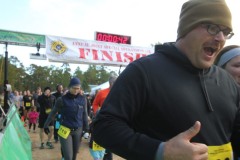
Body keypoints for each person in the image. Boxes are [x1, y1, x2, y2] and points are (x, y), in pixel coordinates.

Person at [92, 0, 240, 160]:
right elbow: (104, 127)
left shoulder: (227, 80)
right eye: (213, 28)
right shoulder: (144, 71)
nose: (221, 38)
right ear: (187, 27)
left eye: (226, 32)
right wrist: (160, 151)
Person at [44, 77, 89, 160]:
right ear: (69, 87)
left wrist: (87, 128)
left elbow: (85, 114)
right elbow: (53, 112)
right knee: (68, 157)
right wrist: (46, 125)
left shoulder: (83, 99)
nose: (76, 90)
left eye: (78, 88)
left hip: (78, 130)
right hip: (65, 129)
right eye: (74, 88)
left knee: (74, 156)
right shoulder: (61, 100)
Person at [92, 75, 117, 160]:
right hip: (102, 120)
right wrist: (96, 113)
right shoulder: (101, 93)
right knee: (102, 142)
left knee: (109, 145)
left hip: (114, 122)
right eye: (114, 82)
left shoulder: (120, 92)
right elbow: (95, 104)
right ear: (110, 83)